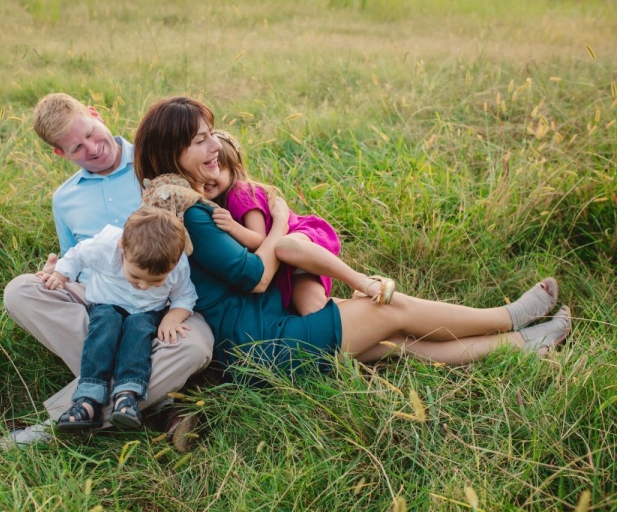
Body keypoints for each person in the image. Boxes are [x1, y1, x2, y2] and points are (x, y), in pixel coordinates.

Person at [132, 96, 572, 377]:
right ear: (172, 154)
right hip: (262, 343)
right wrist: (281, 223)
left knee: (394, 342)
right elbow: (256, 276)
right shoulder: (189, 214)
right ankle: (508, 317)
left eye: (212, 136)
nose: (215, 148)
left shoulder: (176, 199)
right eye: (201, 141)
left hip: (262, 331)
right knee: (389, 309)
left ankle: (519, 345)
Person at [2, 93, 213, 447]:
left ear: (96, 114)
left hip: (163, 298)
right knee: (20, 291)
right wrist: (57, 274)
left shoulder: (155, 162)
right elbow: (76, 257)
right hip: (101, 298)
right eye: (76, 148)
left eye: (90, 133)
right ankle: (151, 397)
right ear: (60, 154)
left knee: (195, 348)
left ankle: (67, 420)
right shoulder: (64, 199)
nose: (93, 149)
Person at [37, 207, 197, 431]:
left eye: (156, 282)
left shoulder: (178, 266)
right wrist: (60, 275)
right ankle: (88, 398)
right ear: (122, 248)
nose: (143, 286)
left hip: (147, 311)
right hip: (106, 303)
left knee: (139, 331)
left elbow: (185, 295)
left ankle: (127, 396)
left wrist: (173, 316)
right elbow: (78, 254)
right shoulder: (105, 246)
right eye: (135, 276)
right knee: (105, 325)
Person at [204, 129, 395, 315]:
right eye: (207, 167)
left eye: (219, 168)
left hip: (298, 241)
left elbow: (259, 238)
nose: (210, 177)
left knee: (284, 246)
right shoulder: (219, 201)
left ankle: (362, 281)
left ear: (236, 169)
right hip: (288, 266)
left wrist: (232, 227)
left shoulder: (240, 192)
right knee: (314, 312)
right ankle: (379, 319)